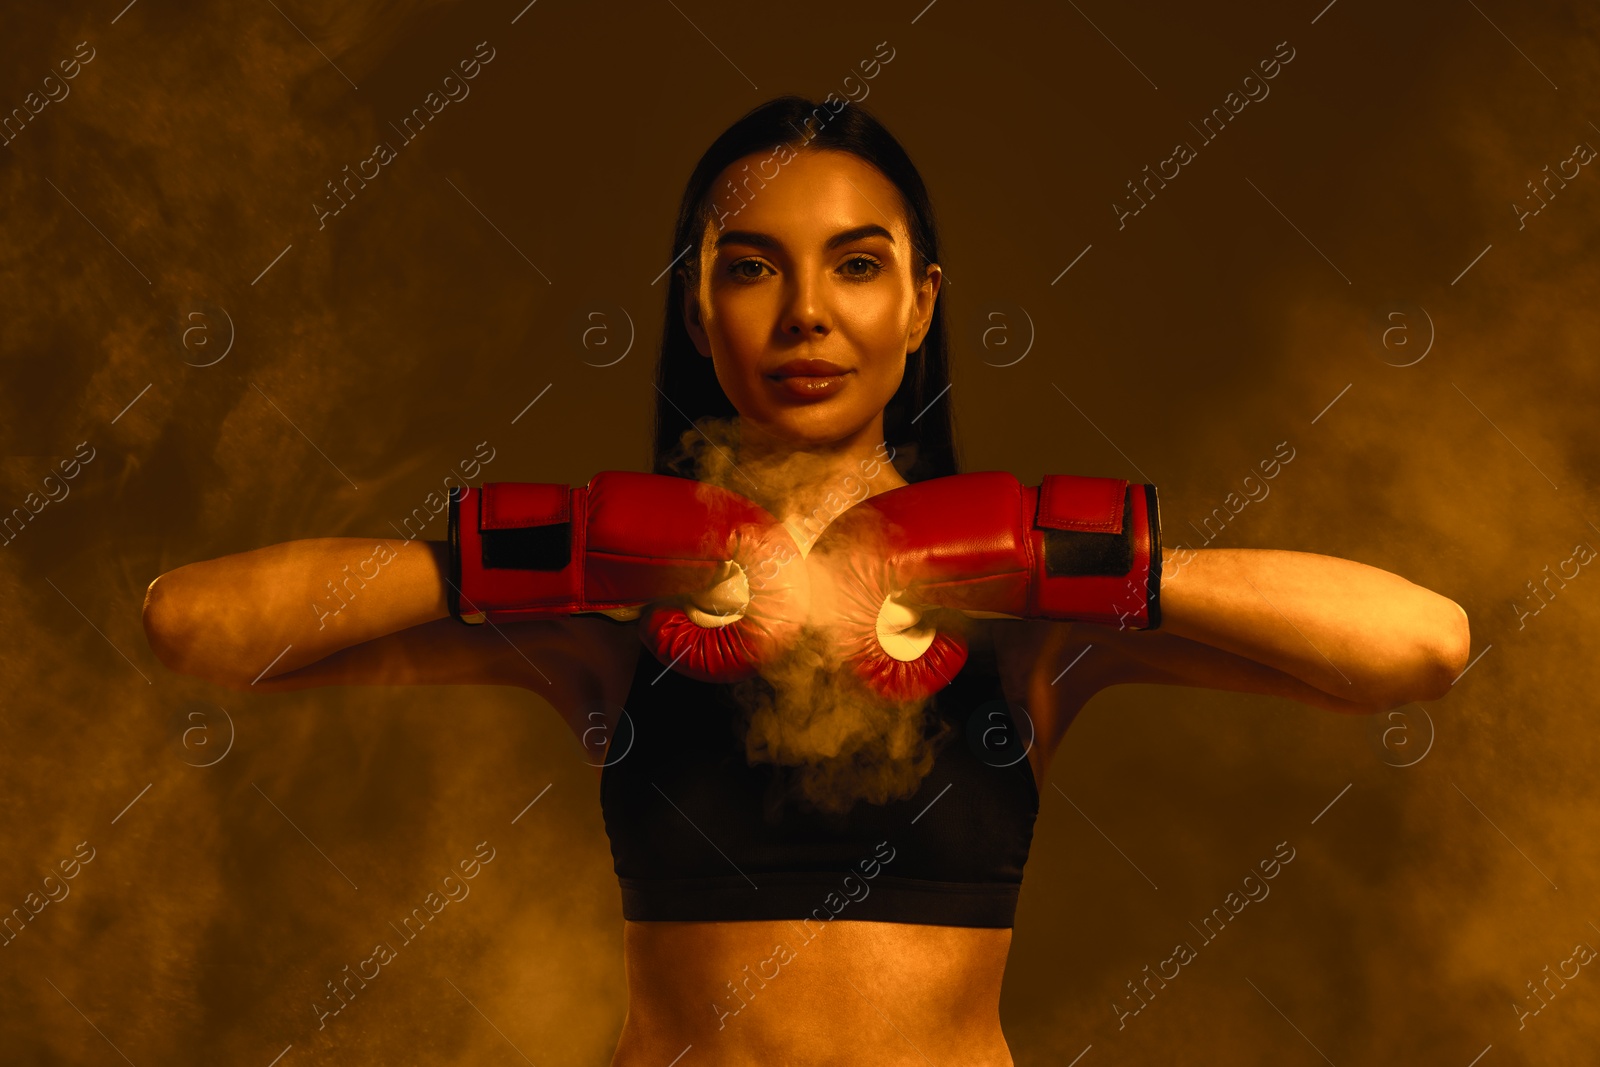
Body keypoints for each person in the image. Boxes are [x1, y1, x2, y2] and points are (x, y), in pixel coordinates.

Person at [140, 96, 1470, 1065]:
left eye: (856, 264)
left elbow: (1421, 647)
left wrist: (1078, 558)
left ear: (923, 303)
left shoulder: (1031, 629)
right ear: (698, 309)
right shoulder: (618, 626)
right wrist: (544, 545)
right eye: (750, 267)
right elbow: (194, 626)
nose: (806, 316)